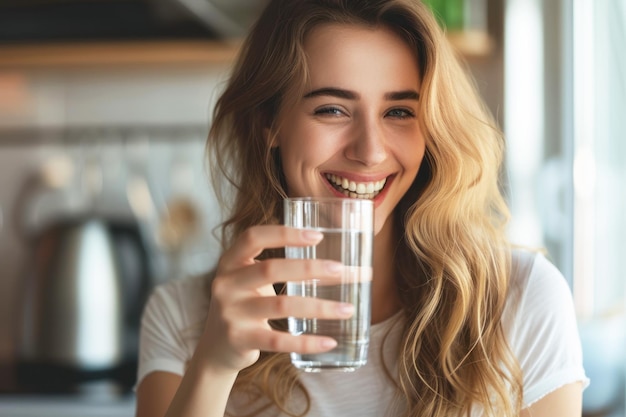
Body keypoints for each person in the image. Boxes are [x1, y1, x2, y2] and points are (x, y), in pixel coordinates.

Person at [135, 1, 589, 416]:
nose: (370, 152)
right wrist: (214, 368)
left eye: (399, 113)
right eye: (332, 110)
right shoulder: (183, 316)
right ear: (269, 123)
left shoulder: (520, 300)